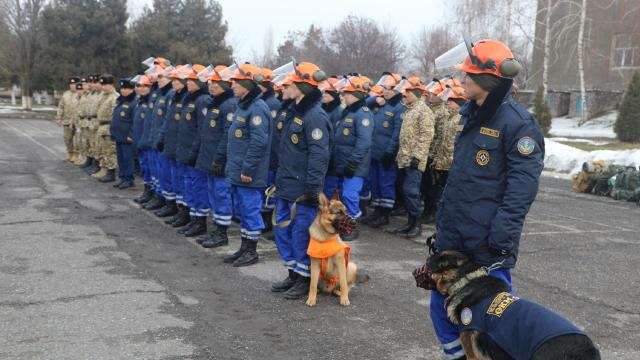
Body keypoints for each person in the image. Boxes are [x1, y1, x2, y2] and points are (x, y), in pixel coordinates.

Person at [429, 39, 544, 360]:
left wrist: (501, 238)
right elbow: (462, 180)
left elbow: (522, 190)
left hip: (487, 244)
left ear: (487, 81)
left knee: (490, 319)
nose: (462, 80)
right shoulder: (471, 116)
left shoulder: (518, 124)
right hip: (455, 237)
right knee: (442, 308)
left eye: (468, 75)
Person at [271, 62, 330, 299]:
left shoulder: (315, 116)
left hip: (303, 189)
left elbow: (319, 155)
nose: (289, 86)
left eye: (293, 83)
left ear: (304, 86)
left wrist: (313, 189)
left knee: (300, 233)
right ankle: (293, 272)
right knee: (283, 230)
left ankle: (305, 278)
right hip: (287, 184)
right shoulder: (294, 111)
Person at [223, 63, 272, 267]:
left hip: (248, 173)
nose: (233, 85)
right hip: (238, 169)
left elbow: (258, 142)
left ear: (248, 85)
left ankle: (251, 251)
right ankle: (244, 248)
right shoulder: (243, 105)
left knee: (250, 210)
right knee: (242, 209)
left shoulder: (258, 107)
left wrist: (247, 169)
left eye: (237, 82)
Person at [323, 75, 373, 241]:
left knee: (351, 196)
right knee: (344, 195)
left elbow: (364, 143)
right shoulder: (349, 112)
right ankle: (344, 225)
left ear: (356, 95)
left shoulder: (363, 114)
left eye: (347, 93)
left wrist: (352, 163)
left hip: (355, 165)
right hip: (344, 162)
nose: (343, 96)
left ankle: (352, 227)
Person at [195, 65, 238, 248]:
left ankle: (222, 232)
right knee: (213, 194)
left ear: (224, 85)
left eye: (214, 82)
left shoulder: (229, 105)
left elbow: (227, 135)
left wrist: (220, 158)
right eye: (210, 82)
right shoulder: (215, 103)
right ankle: (216, 229)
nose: (210, 85)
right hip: (210, 157)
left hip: (219, 160)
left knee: (221, 195)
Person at [392, 76, 435, 239]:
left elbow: (426, 135)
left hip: (415, 160)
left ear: (416, 93)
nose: (405, 95)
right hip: (404, 158)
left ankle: (416, 224)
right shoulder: (409, 110)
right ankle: (410, 222)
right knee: (405, 190)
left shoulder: (424, 111)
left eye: (408, 92)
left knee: (411, 191)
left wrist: (417, 157)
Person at [171, 64, 212, 237]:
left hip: (194, 153)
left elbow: (202, 130)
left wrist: (194, 151)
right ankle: (190, 217)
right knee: (188, 184)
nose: (188, 83)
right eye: (187, 80)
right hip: (186, 150)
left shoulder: (202, 100)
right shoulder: (190, 98)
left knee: (197, 187)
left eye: (192, 80)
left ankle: (199, 221)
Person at [362, 72, 406, 229]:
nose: (385, 91)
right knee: (375, 183)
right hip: (374, 152)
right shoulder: (381, 104)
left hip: (386, 154)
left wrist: (390, 152)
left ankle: (385, 214)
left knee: (386, 183)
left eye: (389, 89)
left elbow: (397, 133)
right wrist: (376, 99)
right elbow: (365, 103)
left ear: (397, 90)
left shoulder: (399, 108)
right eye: (384, 88)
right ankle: (377, 212)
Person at [161, 65, 191, 228]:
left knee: (185, 181)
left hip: (182, 147)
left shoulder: (188, 97)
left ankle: (185, 213)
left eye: (176, 80)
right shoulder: (175, 96)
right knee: (175, 179)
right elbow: (169, 121)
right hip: (173, 145)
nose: (173, 83)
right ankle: (178, 210)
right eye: (172, 80)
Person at [422, 78, 455, 224]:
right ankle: (428, 210)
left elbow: (440, 137)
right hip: (430, 153)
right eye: (430, 94)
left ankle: (432, 212)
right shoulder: (430, 109)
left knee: (435, 187)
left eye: (434, 95)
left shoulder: (442, 113)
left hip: (436, 155)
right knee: (428, 186)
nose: (431, 96)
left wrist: (434, 155)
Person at [256, 67, 281, 233]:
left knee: (270, 189)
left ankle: (269, 220)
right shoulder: (264, 101)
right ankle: (265, 219)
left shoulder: (272, 104)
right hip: (267, 154)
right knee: (266, 188)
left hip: (272, 155)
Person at [110, 78, 137, 188]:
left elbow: (135, 121)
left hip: (127, 137)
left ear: (131, 89)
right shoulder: (120, 100)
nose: (123, 90)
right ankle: (122, 177)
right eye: (122, 88)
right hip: (119, 135)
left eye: (125, 88)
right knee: (120, 158)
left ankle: (129, 179)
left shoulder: (133, 102)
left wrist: (131, 135)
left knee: (127, 158)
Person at [131, 75, 154, 203]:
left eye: (145, 85)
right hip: (139, 140)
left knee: (150, 170)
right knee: (145, 169)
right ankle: (146, 192)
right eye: (139, 85)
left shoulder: (151, 101)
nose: (141, 88)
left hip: (147, 142)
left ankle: (150, 193)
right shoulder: (140, 101)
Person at [94, 74, 119, 183]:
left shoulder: (115, 97)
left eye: (105, 84)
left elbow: (116, 115)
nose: (103, 86)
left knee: (110, 151)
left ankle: (111, 172)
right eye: (102, 84)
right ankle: (105, 169)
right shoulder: (103, 96)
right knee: (103, 150)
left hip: (109, 126)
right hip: (102, 126)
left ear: (111, 85)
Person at [56, 77, 80, 163]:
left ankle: (77, 155)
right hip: (67, 120)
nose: (72, 86)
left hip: (77, 121)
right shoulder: (66, 94)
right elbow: (61, 106)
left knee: (78, 139)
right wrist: (59, 117)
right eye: (71, 84)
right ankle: (70, 154)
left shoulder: (81, 93)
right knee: (67, 139)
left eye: (74, 84)